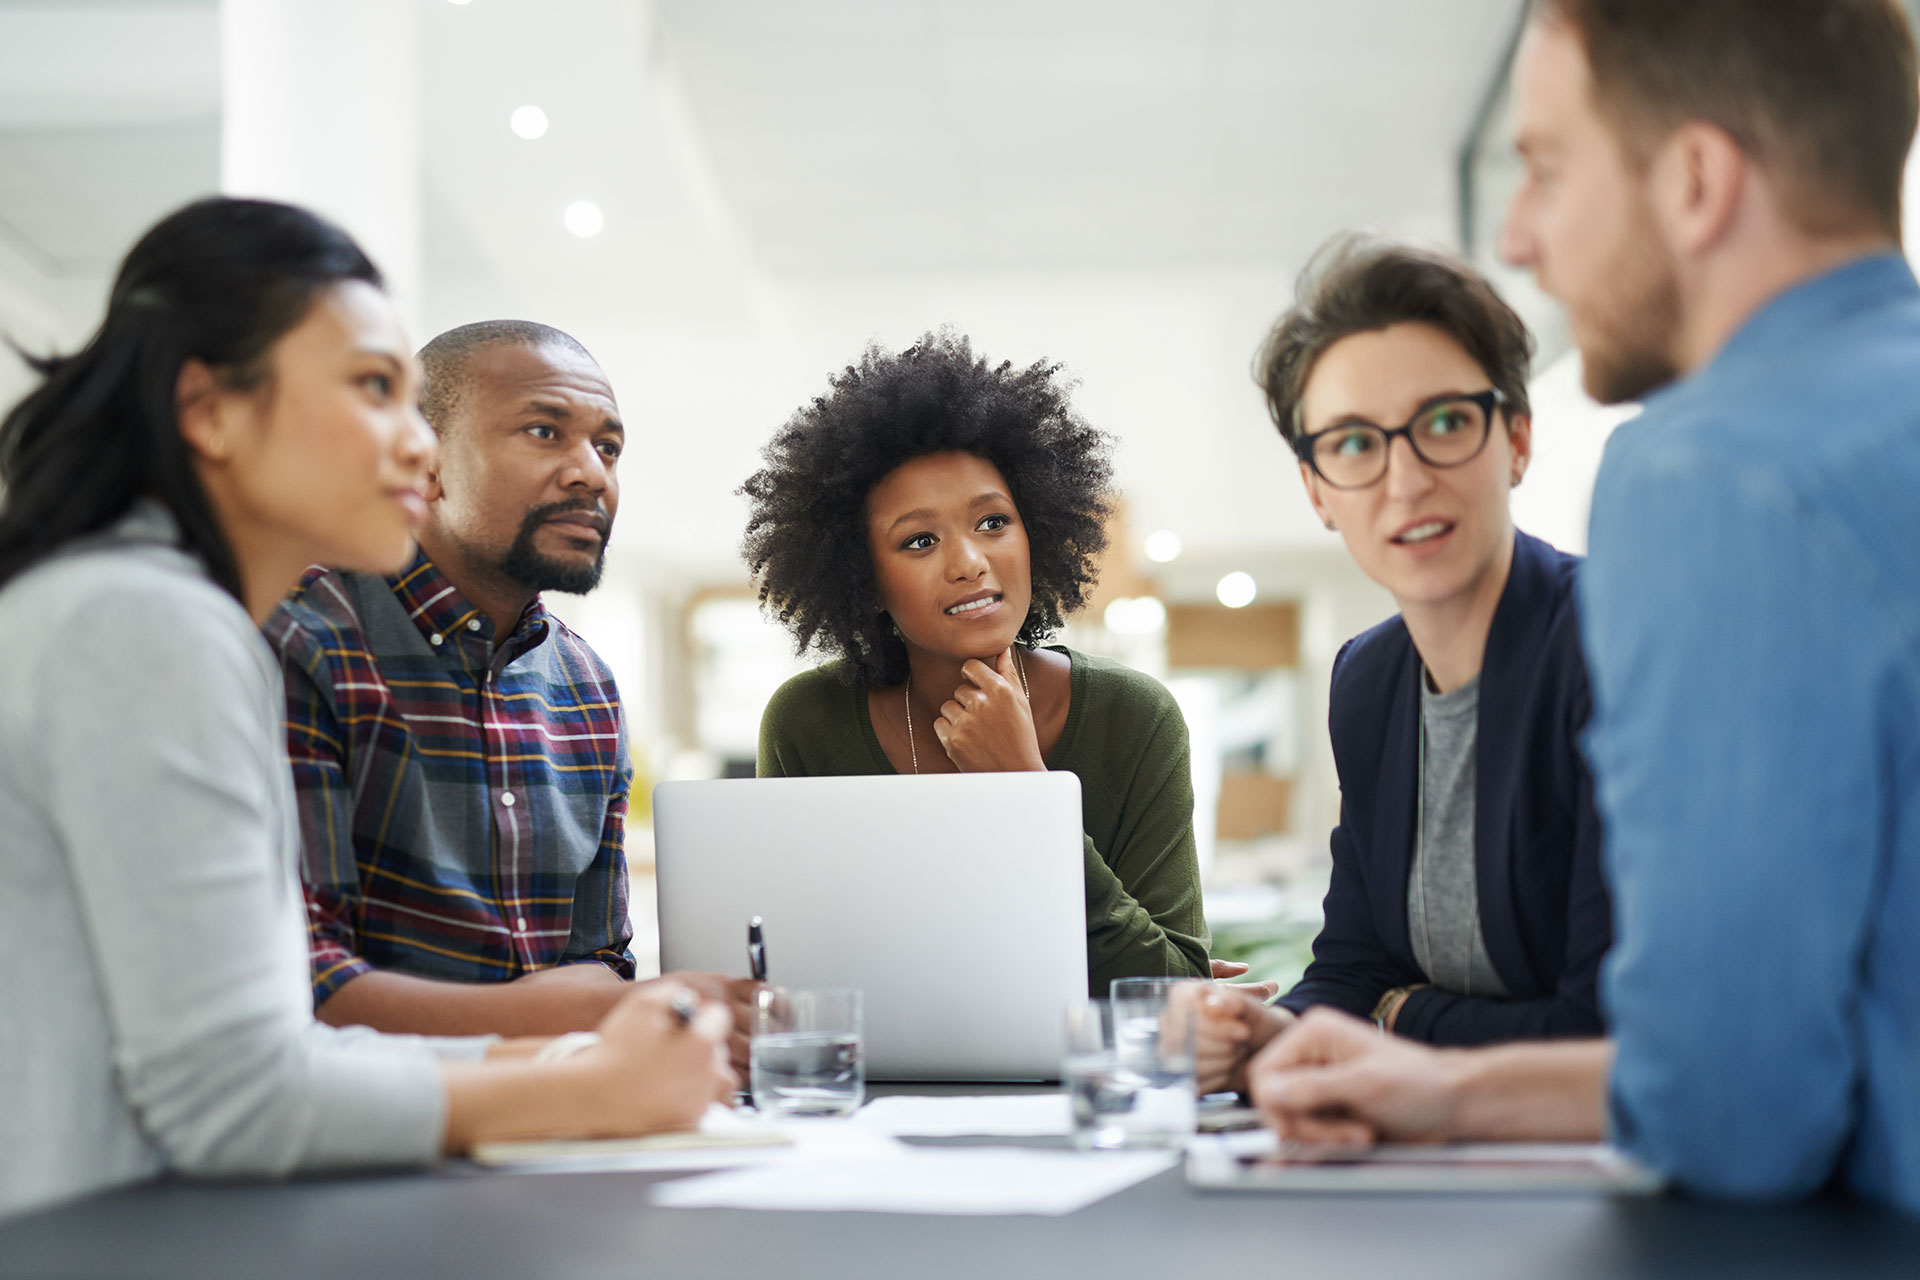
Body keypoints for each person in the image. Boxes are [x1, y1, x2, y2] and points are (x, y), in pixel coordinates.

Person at [1247, 0, 1920, 1214]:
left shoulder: (1716, 472)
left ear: (1699, 181)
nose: (1522, 233)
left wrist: (1421, 1046)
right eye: (1351, 445)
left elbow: (1736, 1110)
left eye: (1547, 169)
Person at [0, 197, 733, 1220]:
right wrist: (584, 1087)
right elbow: (236, 1096)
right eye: (375, 389)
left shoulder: (144, 609)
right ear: (208, 409)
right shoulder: (146, 623)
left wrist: (583, 1051)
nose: (415, 447)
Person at [263, 320, 754, 1073]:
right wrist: (579, 1014)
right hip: (364, 1131)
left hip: (559, 1122)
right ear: (424, 464)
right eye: (544, 431)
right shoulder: (304, 639)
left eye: (608, 447)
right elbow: (296, 983)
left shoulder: (587, 688)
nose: (590, 472)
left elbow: (598, 965)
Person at [1188, 239, 1609, 1095]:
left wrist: (1400, 1016)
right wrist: (1270, 1031)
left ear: (1516, 439)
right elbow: (1352, 963)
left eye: (1445, 423)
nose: (1405, 480)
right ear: (1317, 491)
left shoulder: (1609, 640)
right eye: (1353, 444)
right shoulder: (1368, 682)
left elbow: (1601, 1024)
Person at [740, 332, 1211, 995]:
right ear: (865, 579)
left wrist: (1027, 789)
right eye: (920, 539)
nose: (968, 561)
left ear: (1036, 533)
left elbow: (1171, 993)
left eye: (992, 522)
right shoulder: (807, 723)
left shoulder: (1133, 718)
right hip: (875, 1090)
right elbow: (790, 979)